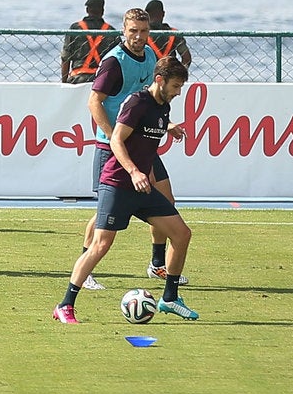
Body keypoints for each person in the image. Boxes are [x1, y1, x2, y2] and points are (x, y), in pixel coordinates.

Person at [54, 59, 196, 325]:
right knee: (101, 245)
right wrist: (133, 171)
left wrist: (168, 127)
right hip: (118, 184)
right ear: (160, 80)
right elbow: (117, 139)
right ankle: (64, 305)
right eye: (176, 86)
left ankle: (170, 298)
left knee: (181, 233)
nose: (179, 91)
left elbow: (145, 133)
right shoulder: (137, 102)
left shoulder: (163, 106)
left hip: (142, 188)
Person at [78, 8, 162, 287]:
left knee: (167, 201)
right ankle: (84, 268)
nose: (138, 36)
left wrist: (167, 123)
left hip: (142, 145)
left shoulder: (150, 56)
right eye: (133, 31)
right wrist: (114, 137)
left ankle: (158, 264)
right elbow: (93, 101)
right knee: (103, 213)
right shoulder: (114, 62)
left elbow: (148, 100)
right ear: (123, 31)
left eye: (143, 31)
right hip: (112, 147)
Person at [60, 0, 111, 84]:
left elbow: (65, 57)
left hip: (78, 78)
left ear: (87, 10)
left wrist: (64, 82)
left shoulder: (75, 28)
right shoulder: (110, 31)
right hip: (102, 80)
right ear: (102, 11)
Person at [145, 0, 191, 72]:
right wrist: (179, 76)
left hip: (148, 76)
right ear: (163, 14)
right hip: (169, 77)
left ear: (146, 14)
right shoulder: (174, 33)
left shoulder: (143, 33)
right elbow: (187, 58)